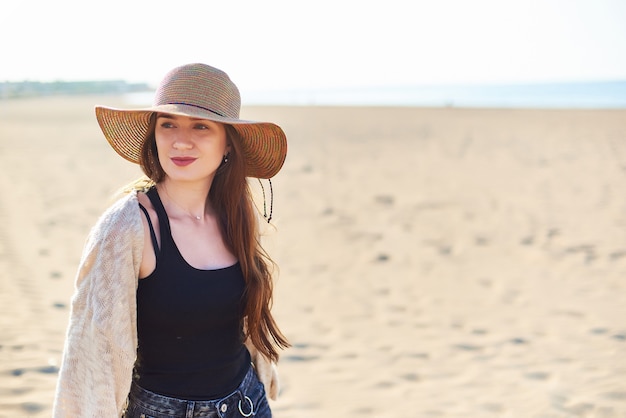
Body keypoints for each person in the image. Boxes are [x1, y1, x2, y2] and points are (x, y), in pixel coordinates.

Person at [52, 63, 290, 417]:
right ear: (154, 135)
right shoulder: (127, 228)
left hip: (246, 403)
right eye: (168, 124)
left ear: (228, 143)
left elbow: (242, 325)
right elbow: (94, 351)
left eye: (201, 126)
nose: (181, 140)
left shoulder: (236, 215)